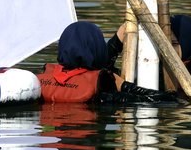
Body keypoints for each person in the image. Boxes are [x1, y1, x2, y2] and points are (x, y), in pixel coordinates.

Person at [37, 21, 176, 103]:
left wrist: (116, 43)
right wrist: (124, 85)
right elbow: (156, 100)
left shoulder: (40, 81)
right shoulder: (102, 90)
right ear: (97, 50)